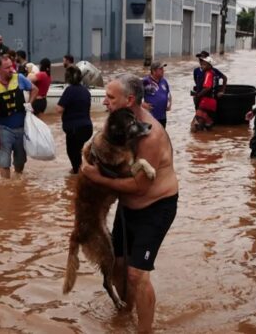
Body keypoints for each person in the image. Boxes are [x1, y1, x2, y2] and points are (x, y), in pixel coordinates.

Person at [80, 74, 178, 333]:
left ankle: (144, 330)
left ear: (130, 100)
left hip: (156, 207)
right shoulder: (119, 121)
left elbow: (140, 186)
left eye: (110, 97)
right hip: (128, 207)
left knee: (137, 274)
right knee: (118, 265)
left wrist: (97, 178)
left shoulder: (150, 135)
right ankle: (123, 314)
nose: (105, 102)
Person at [0, 54, 38, 178]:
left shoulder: (19, 78)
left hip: (21, 127)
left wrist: (29, 104)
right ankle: (6, 188)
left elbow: (35, 89)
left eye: (12, 66)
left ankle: (17, 182)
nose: (11, 70)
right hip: (3, 128)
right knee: (4, 161)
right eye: (7, 67)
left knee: (20, 161)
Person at [56, 65, 92, 174]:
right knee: (78, 151)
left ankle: (79, 174)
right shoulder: (86, 91)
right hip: (87, 127)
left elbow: (59, 109)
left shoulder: (69, 90)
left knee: (72, 152)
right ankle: (80, 171)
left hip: (74, 129)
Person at [193, 55, 225, 131]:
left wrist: (198, 95)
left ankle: (200, 140)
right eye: (202, 64)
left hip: (206, 101)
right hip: (213, 102)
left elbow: (207, 87)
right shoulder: (214, 73)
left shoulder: (208, 74)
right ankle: (207, 140)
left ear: (209, 65)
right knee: (207, 125)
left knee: (196, 126)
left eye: (204, 64)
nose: (202, 66)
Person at [142, 61, 171, 128]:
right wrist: (142, 104)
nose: (163, 71)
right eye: (160, 69)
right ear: (154, 71)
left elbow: (168, 93)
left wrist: (169, 103)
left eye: (163, 69)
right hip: (150, 117)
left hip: (162, 117)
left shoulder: (164, 81)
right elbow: (134, 96)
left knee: (162, 136)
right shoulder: (145, 81)